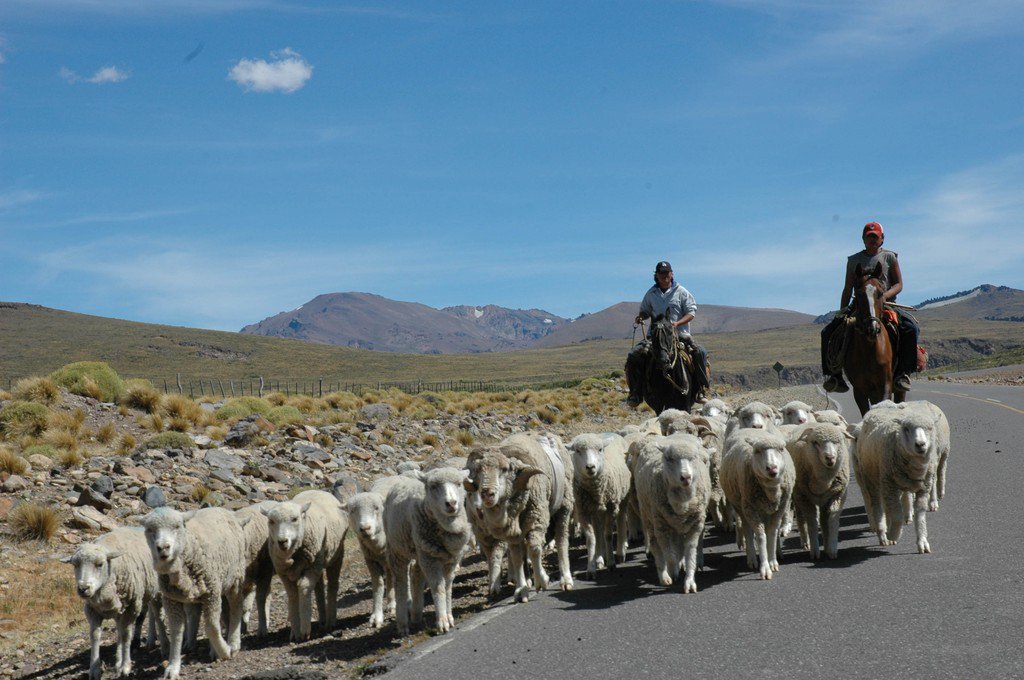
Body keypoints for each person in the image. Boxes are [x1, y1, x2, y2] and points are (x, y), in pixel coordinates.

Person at [820, 221, 920, 393]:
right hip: (859, 304)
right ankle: (834, 375)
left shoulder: (890, 257)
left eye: (875, 237)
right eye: (869, 237)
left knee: (911, 328)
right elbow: (847, 288)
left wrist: (883, 297)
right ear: (863, 239)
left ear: (882, 239)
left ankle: (903, 372)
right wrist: (842, 311)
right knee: (828, 332)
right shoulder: (853, 261)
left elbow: (898, 284)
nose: (872, 240)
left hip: (886, 304)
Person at [625, 261, 708, 407]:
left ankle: (700, 389)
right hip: (655, 336)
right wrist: (641, 317)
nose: (664, 276)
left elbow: (691, 313)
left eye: (667, 273)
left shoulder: (681, 292)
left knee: (700, 352)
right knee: (633, 356)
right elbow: (645, 310)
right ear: (656, 275)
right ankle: (635, 393)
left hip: (679, 333)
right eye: (661, 273)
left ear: (672, 274)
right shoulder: (651, 293)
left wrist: (677, 323)